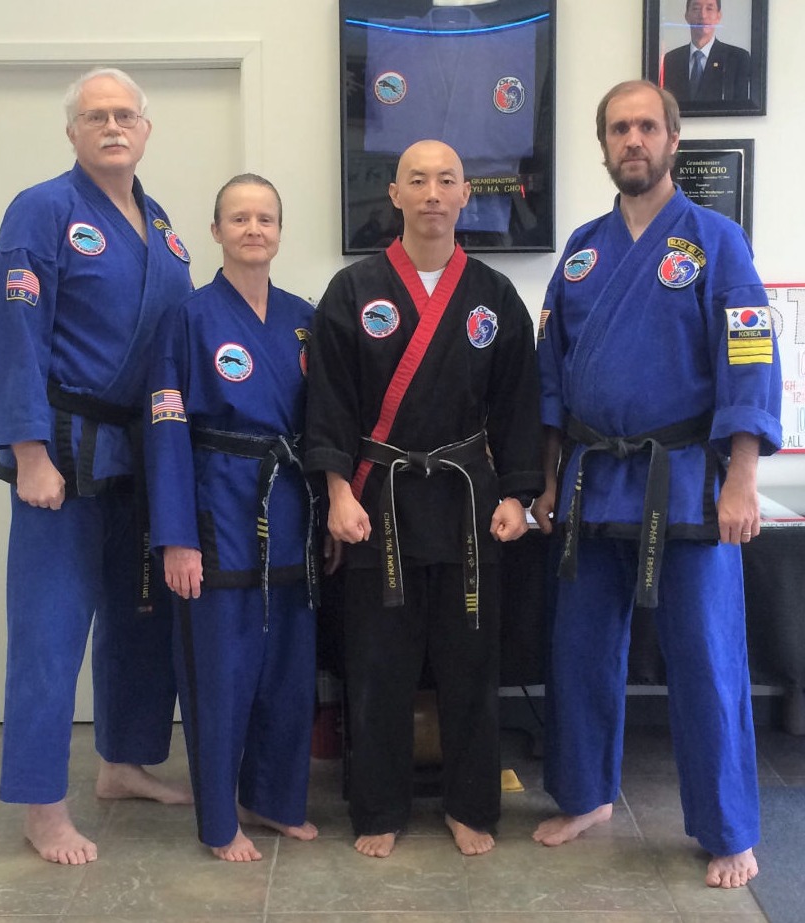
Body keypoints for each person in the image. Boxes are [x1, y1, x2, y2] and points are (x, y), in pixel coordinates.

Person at [531, 79, 782, 889]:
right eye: (617, 128)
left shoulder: (716, 241)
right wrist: (546, 479)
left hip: (686, 478)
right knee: (579, 649)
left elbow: (748, 356)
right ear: (603, 144)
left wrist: (740, 477)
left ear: (672, 139)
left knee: (705, 656)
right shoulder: (580, 251)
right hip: (591, 478)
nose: (631, 140)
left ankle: (727, 828)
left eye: (645, 126)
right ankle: (584, 794)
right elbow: (549, 375)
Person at [0, 67, 194, 865]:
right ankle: (42, 806)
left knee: (138, 617)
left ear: (145, 130)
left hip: (140, 453)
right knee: (50, 629)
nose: (112, 126)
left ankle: (122, 764)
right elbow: (11, 332)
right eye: (95, 115)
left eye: (125, 115)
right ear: (71, 131)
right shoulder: (42, 210)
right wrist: (28, 451)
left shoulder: (161, 223)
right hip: (63, 452)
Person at [304, 140, 543, 859]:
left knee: (470, 664)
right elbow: (329, 402)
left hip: (468, 503)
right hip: (379, 501)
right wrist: (337, 492)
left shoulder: (494, 295)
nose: (432, 193)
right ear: (396, 194)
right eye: (417, 180)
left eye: (446, 180)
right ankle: (378, 806)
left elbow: (518, 403)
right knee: (379, 664)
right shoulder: (353, 290)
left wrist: (519, 495)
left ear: (466, 194)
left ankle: (470, 805)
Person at [144, 174, 319, 861]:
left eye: (265, 218)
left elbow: (324, 424)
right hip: (216, 513)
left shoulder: (303, 318)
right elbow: (165, 430)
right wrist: (176, 537)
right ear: (216, 231)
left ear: (279, 231)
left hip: (290, 509)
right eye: (239, 218)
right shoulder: (187, 319)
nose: (253, 229)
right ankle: (219, 822)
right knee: (220, 677)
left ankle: (273, 799)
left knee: (288, 672)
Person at [661, 0, 751, 103]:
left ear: (718, 16)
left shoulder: (737, 58)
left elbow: (741, 106)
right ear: (687, 16)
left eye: (709, 8)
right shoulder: (671, 59)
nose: (703, 15)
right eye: (696, 9)